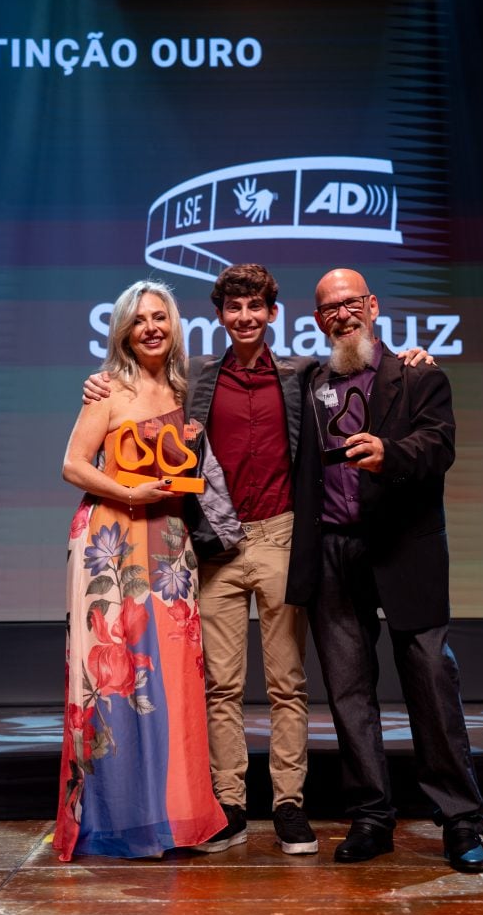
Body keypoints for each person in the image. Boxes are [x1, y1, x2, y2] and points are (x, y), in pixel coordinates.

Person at [83, 265, 430, 857]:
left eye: (255, 307)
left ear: (273, 314)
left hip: (282, 537)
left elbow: (368, 372)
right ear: (219, 317)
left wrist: (412, 355)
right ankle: (231, 802)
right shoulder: (195, 380)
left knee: (287, 684)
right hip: (216, 544)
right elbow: (143, 390)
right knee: (220, 687)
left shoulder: (304, 375)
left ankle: (289, 805)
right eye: (233, 308)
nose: (244, 317)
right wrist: (101, 383)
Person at [285, 268, 483, 873]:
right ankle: (372, 816)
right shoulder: (309, 382)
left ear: (372, 306)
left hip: (404, 548)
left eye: (350, 303)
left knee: (430, 682)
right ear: (318, 320)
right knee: (348, 692)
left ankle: (459, 821)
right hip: (333, 552)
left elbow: (439, 446)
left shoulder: (419, 375)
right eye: (328, 309)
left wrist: (390, 454)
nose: (341, 315)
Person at [53, 280, 226, 861]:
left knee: (174, 676)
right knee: (116, 679)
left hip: (170, 542)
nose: (151, 327)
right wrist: (131, 492)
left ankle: (173, 816)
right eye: (139, 319)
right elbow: (73, 465)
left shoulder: (186, 386)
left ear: (174, 325)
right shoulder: (108, 389)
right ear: (123, 329)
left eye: (161, 317)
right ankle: (115, 819)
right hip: (111, 541)